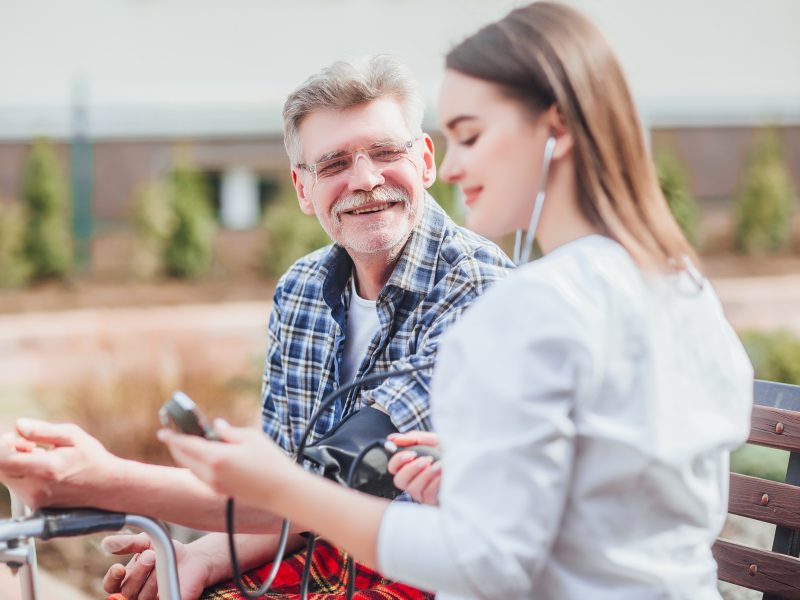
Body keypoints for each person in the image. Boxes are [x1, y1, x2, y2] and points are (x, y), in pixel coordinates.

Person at [159, 3, 754, 598]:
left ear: (557, 130)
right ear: (303, 186)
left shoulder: (529, 305)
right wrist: (470, 479)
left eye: (468, 136)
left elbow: (489, 562)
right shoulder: (678, 286)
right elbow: (636, 509)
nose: (455, 165)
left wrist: (280, 488)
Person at [0, 56, 512, 599]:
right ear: (301, 187)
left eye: (386, 152)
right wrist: (199, 556)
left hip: (432, 568)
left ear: (426, 159)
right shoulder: (303, 289)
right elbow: (287, 493)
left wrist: (103, 481)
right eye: (334, 163)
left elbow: (341, 475)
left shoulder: (478, 286)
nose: (365, 179)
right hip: (329, 548)